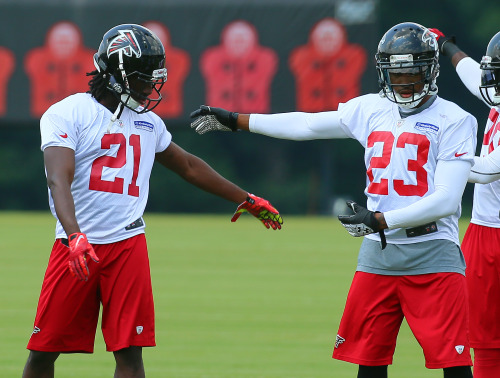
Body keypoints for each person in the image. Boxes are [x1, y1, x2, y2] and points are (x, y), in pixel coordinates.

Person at [190, 22, 477, 378]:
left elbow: (447, 200)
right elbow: (307, 125)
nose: (403, 83)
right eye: (395, 74)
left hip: (433, 250)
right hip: (378, 251)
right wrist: (237, 120)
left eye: (412, 73)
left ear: (431, 70)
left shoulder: (456, 119)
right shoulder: (371, 108)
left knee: (454, 365)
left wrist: (381, 220)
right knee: (368, 362)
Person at [22, 23, 283, 378]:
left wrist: (246, 198)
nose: (151, 87)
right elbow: (58, 178)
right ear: (118, 74)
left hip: (128, 244)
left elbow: (188, 165)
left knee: (130, 354)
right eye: (144, 78)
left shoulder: (148, 122)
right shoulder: (68, 113)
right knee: (44, 350)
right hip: (76, 245)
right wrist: (74, 235)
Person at [430, 28, 500, 378]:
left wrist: (435, 157)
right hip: (485, 230)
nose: (492, 83)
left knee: (487, 341)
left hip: (494, 233)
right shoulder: (497, 95)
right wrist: (447, 47)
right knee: (484, 339)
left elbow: (488, 170)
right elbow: (475, 76)